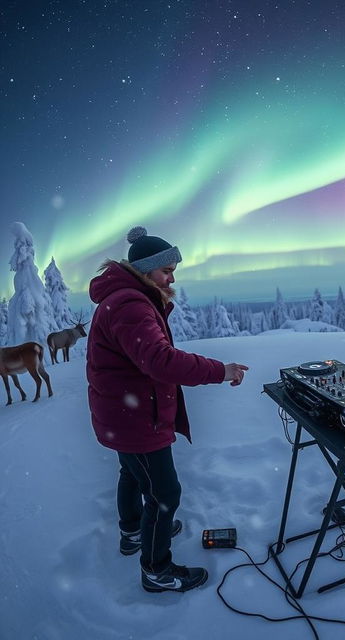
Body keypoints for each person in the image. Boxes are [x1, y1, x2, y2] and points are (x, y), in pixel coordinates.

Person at [86, 226, 248, 593]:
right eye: (166, 270)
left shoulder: (123, 298)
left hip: (122, 414)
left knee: (131, 473)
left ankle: (131, 533)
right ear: (145, 270)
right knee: (164, 494)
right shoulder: (131, 304)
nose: (172, 277)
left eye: (173, 269)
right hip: (135, 418)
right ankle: (157, 570)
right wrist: (220, 371)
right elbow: (159, 361)